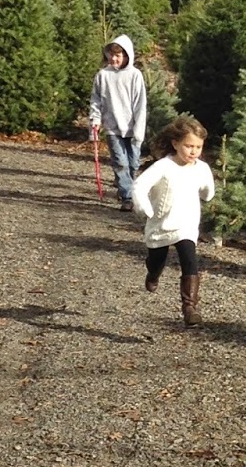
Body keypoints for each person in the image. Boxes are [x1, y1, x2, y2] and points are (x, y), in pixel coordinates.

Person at [132, 115, 214, 326]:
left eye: (198, 147)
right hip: (161, 225)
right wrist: (144, 207)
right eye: (189, 146)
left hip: (186, 224)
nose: (193, 151)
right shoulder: (163, 167)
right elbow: (140, 186)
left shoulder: (201, 168)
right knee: (157, 260)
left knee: (190, 260)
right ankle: (153, 273)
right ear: (175, 144)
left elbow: (208, 190)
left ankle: (189, 307)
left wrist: (208, 193)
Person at [88, 35, 147, 209]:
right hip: (112, 127)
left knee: (133, 163)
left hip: (132, 128)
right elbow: (96, 100)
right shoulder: (103, 75)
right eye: (111, 55)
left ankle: (128, 187)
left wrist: (139, 130)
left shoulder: (135, 75)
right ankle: (127, 197)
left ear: (127, 56)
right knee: (120, 162)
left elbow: (140, 104)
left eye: (118, 55)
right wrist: (95, 120)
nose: (113, 58)